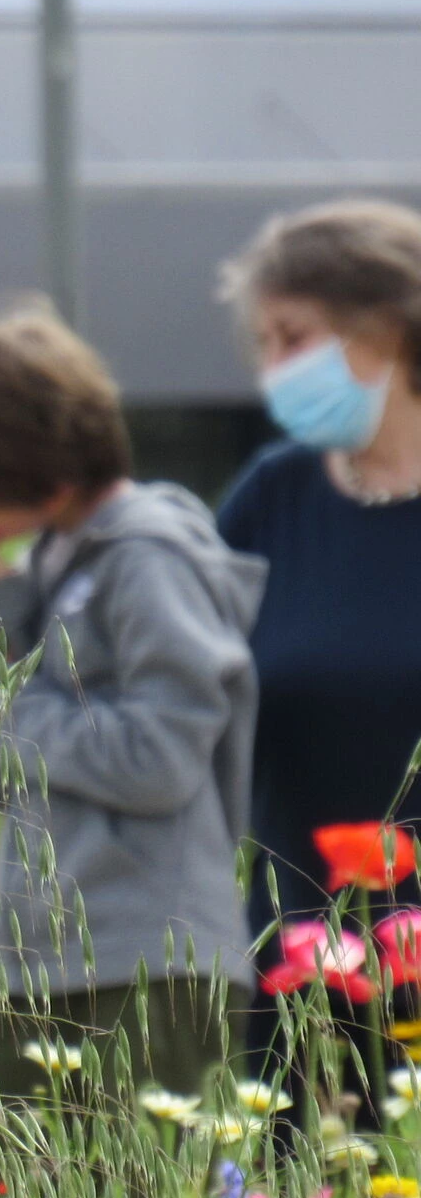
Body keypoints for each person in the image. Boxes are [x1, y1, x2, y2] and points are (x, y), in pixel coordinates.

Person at [0, 306, 266, 1114]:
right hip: (51, 948)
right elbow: (46, 728)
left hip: (148, 955)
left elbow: (158, 757)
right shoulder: (61, 552)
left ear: (53, 482)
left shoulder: (146, 559)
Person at [215, 200, 421, 1108]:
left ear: (388, 327)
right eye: (262, 344)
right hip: (303, 973)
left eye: (292, 337)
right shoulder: (275, 495)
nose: (273, 372)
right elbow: (178, 675)